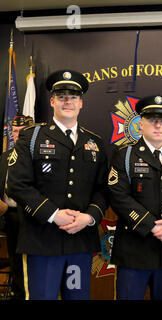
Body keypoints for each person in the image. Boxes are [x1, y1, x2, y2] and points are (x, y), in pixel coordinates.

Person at [6, 70, 108, 300]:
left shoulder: (95, 143)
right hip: (42, 243)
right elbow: (17, 185)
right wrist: (53, 214)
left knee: (78, 297)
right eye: (61, 96)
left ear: (81, 103)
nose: (67, 101)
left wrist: (89, 217)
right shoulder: (32, 137)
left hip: (79, 244)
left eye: (73, 96)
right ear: (52, 101)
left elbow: (103, 189)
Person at [108, 95, 162, 300]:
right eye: (151, 119)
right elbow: (118, 195)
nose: (157, 125)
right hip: (133, 252)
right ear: (141, 123)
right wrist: (151, 225)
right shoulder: (125, 154)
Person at [0, 114, 34, 300]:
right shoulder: (5, 158)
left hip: (32, 216)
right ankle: (18, 294)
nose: (17, 135)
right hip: (10, 216)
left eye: (22, 132)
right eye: (14, 131)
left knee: (31, 261)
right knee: (15, 261)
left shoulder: (38, 157)